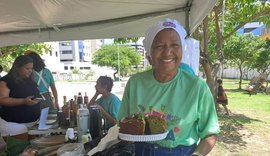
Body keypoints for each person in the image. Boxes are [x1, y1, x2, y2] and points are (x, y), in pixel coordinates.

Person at [117, 18, 220, 156]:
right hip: (141, 150)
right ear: (149, 53)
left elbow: (210, 133)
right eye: (159, 46)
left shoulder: (197, 87)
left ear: (182, 50)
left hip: (181, 152)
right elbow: (123, 126)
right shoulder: (135, 83)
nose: (167, 52)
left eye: (175, 45)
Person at [0, 55, 41, 140]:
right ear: (17, 67)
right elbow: (2, 99)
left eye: (31, 68)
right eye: (27, 68)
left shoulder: (29, 80)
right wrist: (23, 101)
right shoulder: (6, 80)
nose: (30, 71)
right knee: (20, 150)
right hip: (13, 123)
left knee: (31, 150)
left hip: (32, 122)